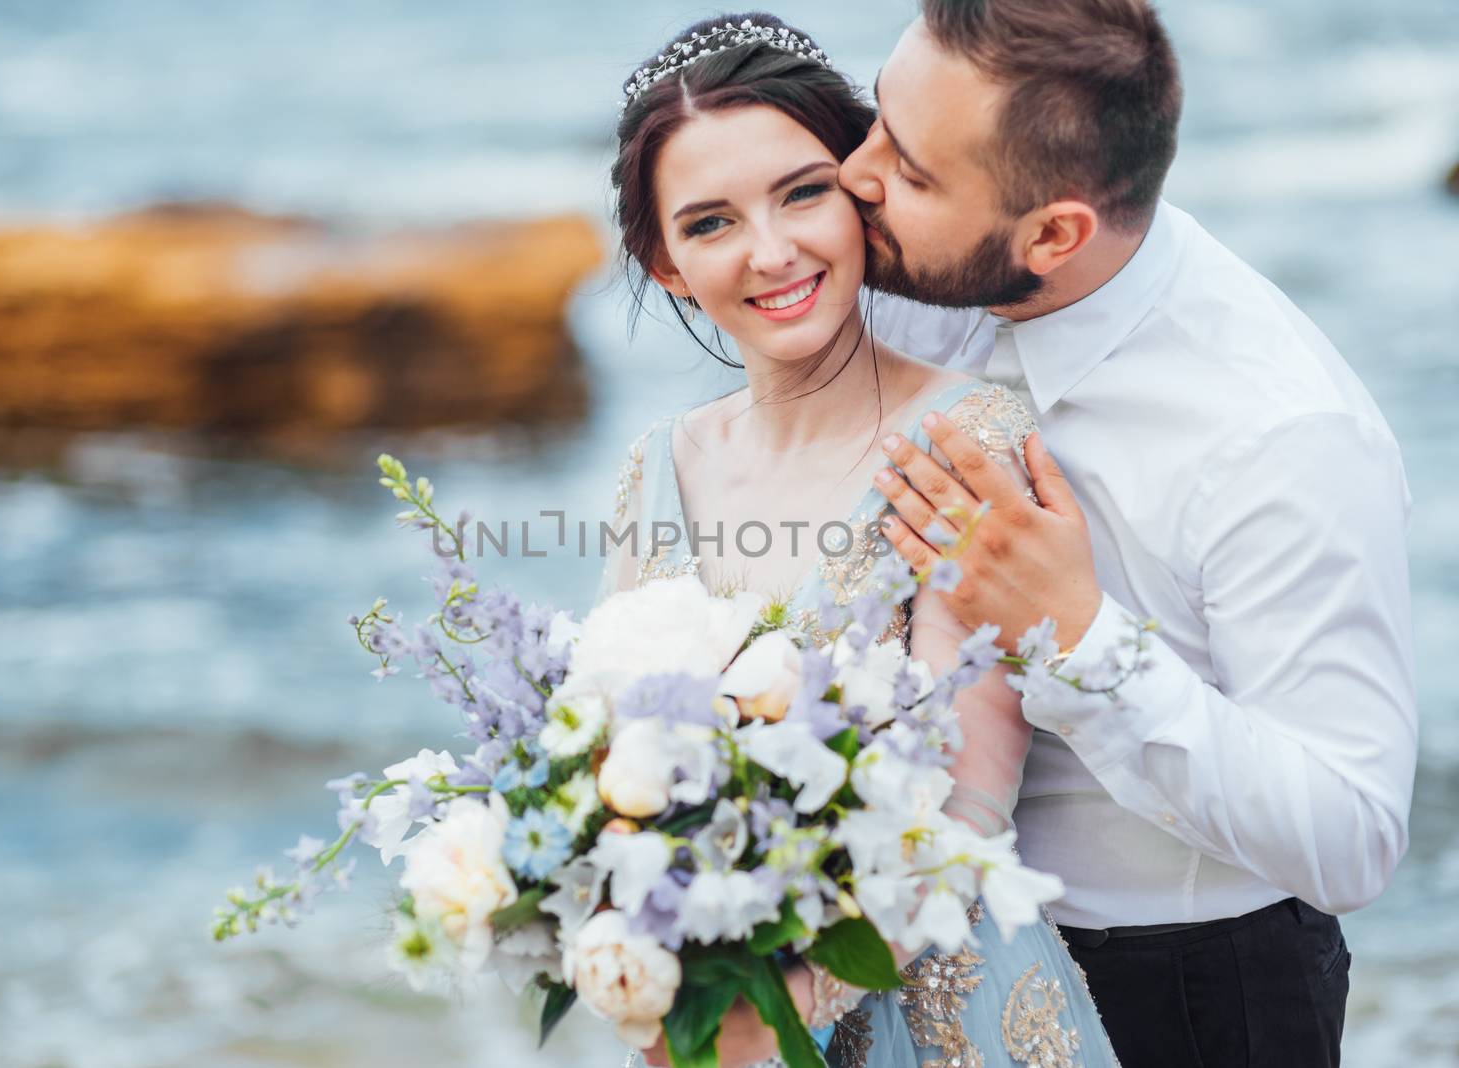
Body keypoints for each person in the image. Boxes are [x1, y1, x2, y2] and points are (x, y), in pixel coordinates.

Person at [843, 2, 1418, 1066]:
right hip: (895, 975)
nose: (856, 176)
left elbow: (1353, 837)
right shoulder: (927, 276)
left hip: (1183, 998)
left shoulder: (1278, 433)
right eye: (875, 116)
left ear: (1054, 234)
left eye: (912, 173)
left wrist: (1076, 631)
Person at [600, 13, 1117, 1067]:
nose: (772, 251)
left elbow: (961, 807)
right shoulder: (648, 475)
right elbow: (614, 785)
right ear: (662, 263)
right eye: (710, 224)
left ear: (861, 193)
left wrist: (769, 1021)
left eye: (802, 193)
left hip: (938, 1011)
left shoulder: (968, 441)